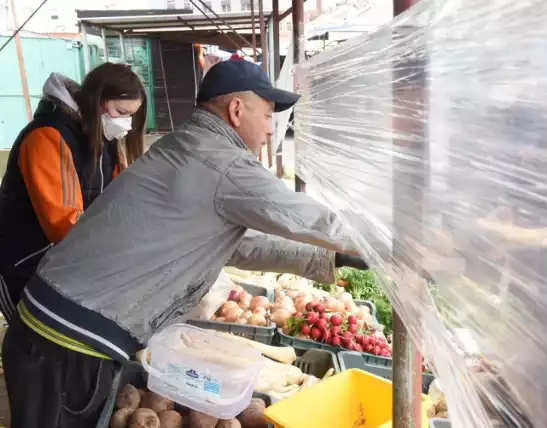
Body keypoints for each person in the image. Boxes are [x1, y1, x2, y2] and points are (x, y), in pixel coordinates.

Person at [3, 59, 367, 427]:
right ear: (237, 110)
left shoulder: (187, 149)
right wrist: (389, 243)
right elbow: (314, 219)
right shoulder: (219, 161)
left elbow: (244, 246)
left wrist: (334, 258)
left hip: (54, 335)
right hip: (66, 343)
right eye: (269, 114)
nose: (272, 131)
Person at [0, 63, 147, 322]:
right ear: (97, 101)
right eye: (121, 112)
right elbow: (65, 223)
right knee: (31, 343)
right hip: (24, 265)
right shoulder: (48, 136)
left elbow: (121, 199)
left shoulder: (101, 140)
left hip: (66, 268)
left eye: (131, 116)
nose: (125, 123)